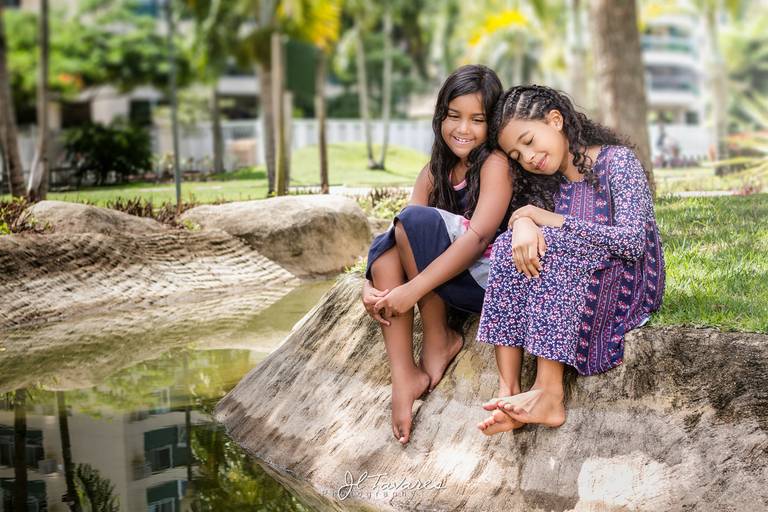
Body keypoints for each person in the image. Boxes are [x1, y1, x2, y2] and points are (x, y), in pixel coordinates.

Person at [475, 85, 665, 435]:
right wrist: (524, 222)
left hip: (626, 282)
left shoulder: (616, 162)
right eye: (517, 155)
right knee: (506, 248)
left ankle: (549, 392)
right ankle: (509, 393)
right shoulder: (548, 186)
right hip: (578, 280)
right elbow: (529, 234)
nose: (528, 157)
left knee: (556, 246)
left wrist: (546, 221)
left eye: (529, 141)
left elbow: (633, 242)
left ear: (556, 120)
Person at [362, 65, 523, 445]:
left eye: (477, 119)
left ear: (493, 124)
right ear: (440, 117)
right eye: (453, 116)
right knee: (389, 246)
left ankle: (438, 338)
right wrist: (367, 287)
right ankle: (404, 375)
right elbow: (396, 236)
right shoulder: (434, 172)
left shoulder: (495, 164)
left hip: (487, 283)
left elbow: (478, 236)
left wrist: (412, 290)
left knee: (414, 220)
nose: (463, 128)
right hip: (451, 281)